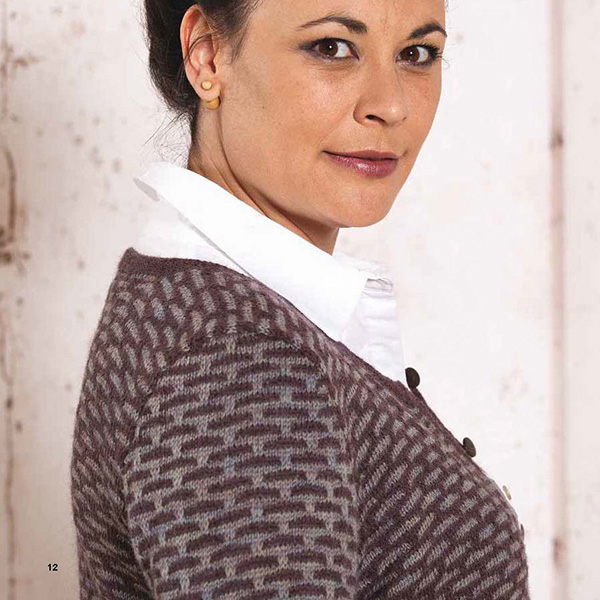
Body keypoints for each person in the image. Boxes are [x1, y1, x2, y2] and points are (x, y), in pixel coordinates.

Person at [70, 1, 532, 598]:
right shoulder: (237, 364)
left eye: (417, 54)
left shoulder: (208, 312)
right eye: (332, 48)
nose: (390, 104)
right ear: (207, 55)